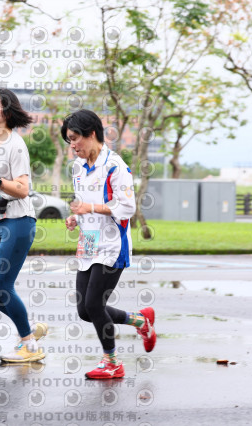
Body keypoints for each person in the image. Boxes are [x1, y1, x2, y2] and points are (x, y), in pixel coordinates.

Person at [62, 109, 156, 379]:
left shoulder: (115, 166)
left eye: (75, 138)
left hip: (113, 244)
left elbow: (127, 207)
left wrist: (89, 208)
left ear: (91, 134)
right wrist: (76, 217)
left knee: (94, 304)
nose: (72, 145)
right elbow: (85, 203)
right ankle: (140, 320)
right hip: (89, 242)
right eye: (69, 140)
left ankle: (112, 362)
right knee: (85, 311)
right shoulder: (77, 167)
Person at [0, 88, 47, 363]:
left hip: (19, 222)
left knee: (2, 284)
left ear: (5, 113)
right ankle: (28, 327)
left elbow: (23, 189)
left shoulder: (16, 145)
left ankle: (29, 345)